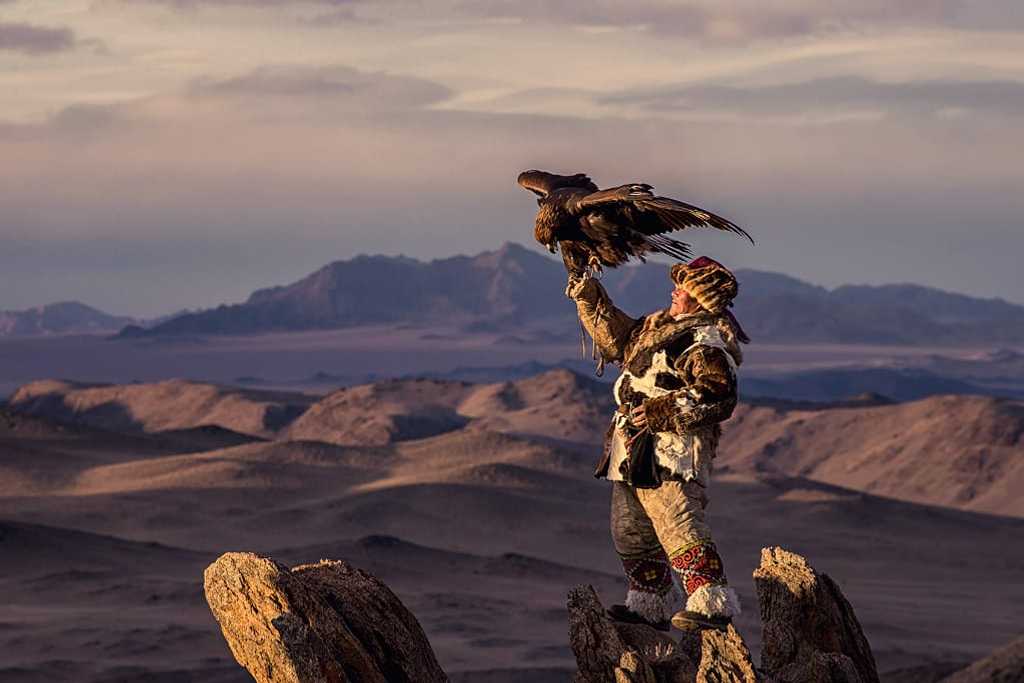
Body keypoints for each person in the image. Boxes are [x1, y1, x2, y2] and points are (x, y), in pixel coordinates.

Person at [566, 256, 749, 632]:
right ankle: (651, 603)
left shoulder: (705, 342)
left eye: (683, 287)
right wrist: (589, 297)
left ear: (701, 298)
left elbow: (718, 395)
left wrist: (657, 412)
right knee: (629, 528)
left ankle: (712, 602)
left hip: (672, 451)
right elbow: (617, 341)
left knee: (678, 521)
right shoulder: (657, 326)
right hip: (632, 448)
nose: (674, 291)